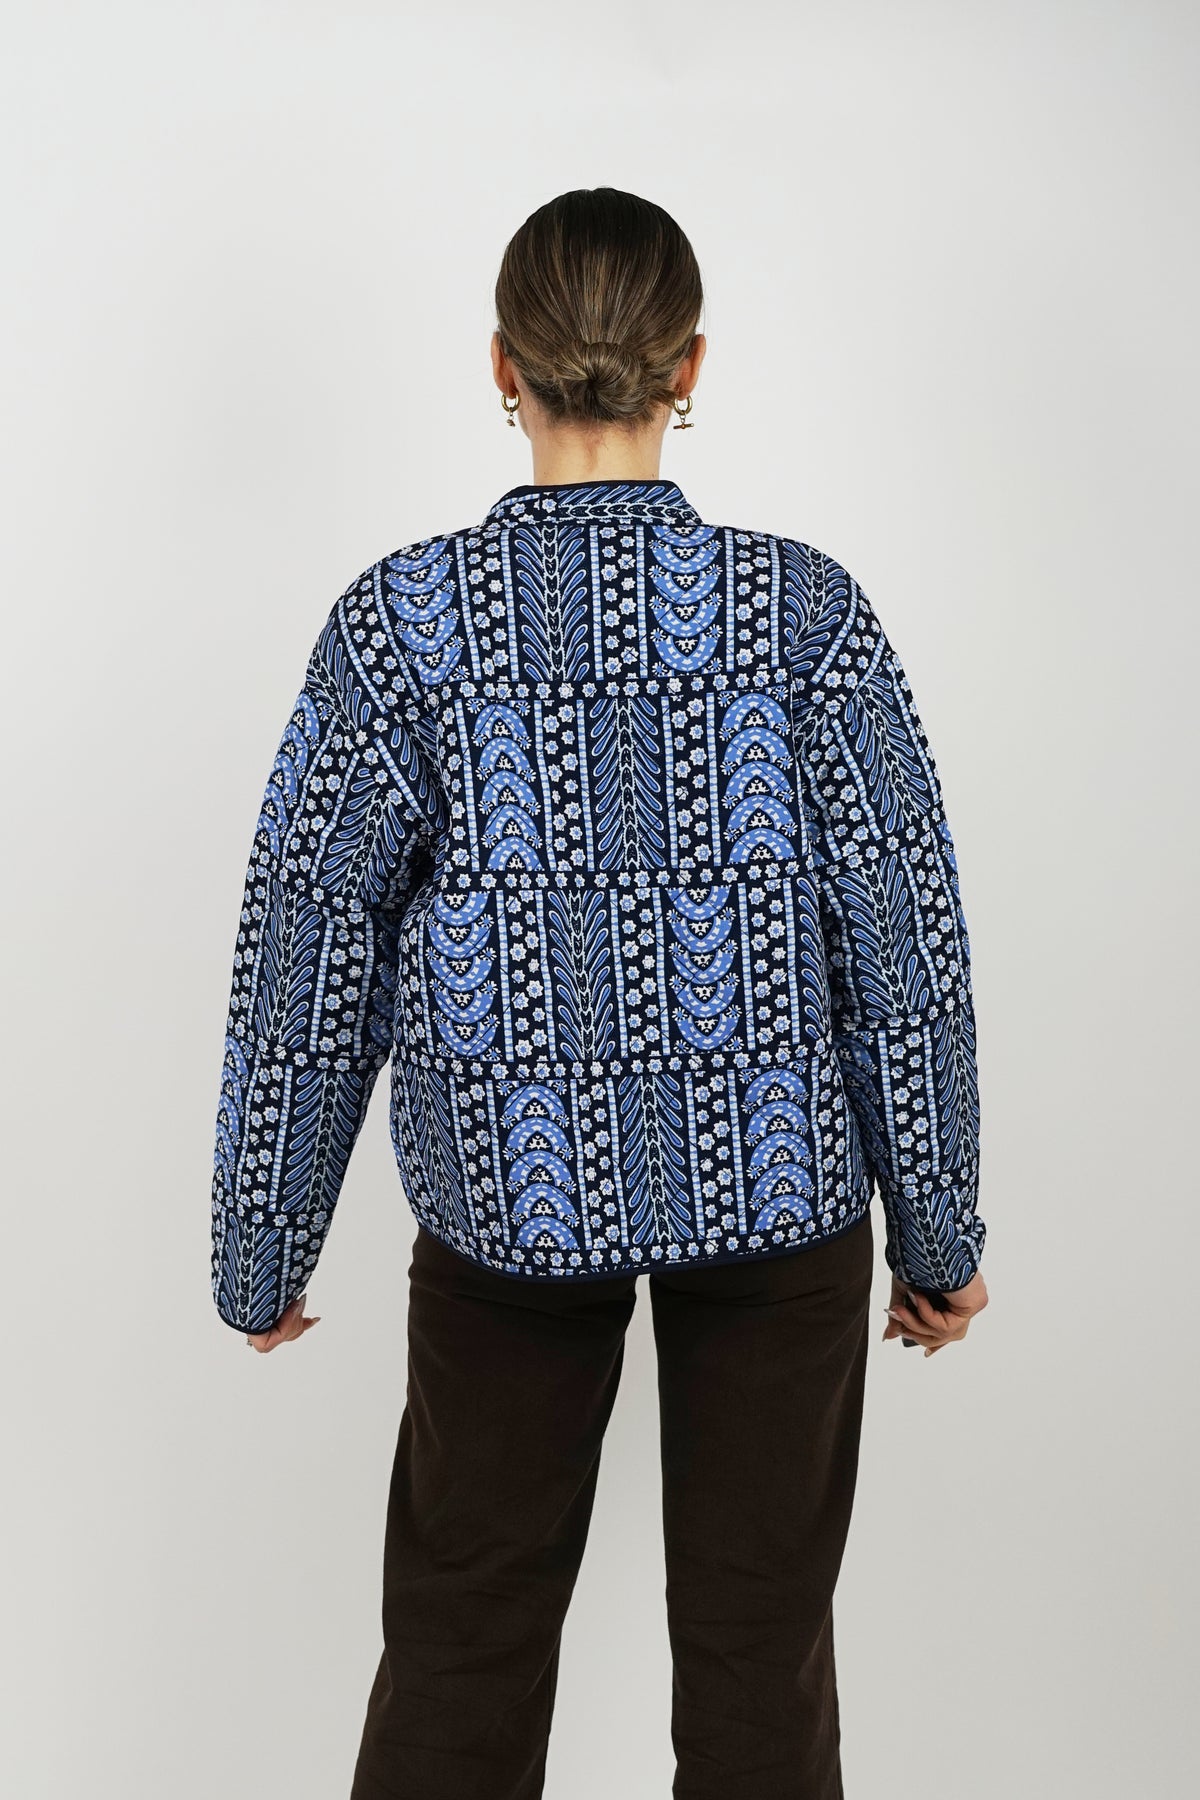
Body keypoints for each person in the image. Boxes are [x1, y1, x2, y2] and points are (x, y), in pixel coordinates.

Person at [210, 186, 990, 1799]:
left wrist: (259, 1247)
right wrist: (941, 1237)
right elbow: (905, 950)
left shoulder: (403, 626)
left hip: (508, 1199)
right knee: (761, 1652)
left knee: (463, 1637)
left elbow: (308, 949)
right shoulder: (806, 616)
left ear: (503, 365)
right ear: (688, 363)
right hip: (777, 1197)